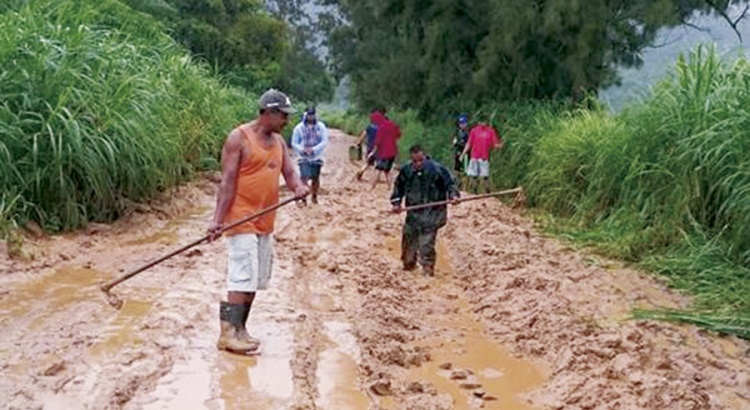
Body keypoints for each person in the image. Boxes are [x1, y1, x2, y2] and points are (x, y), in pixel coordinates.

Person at [207, 89, 309, 355]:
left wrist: (298, 187)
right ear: (268, 113)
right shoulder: (239, 138)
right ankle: (227, 333)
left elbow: (289, 173)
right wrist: (217, 221)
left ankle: (240, 329)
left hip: (265, 218)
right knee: (241, 274)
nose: (286, 121)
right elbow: (227, 182)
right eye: (283, 115)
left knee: (256, 278)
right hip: (241, 216)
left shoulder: (279, 142)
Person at [390, 145, 459, 277]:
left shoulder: (438, 169)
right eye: (415, 161)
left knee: (426, 243)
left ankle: (428, 270)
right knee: (408, 242)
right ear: (411, 159)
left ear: (425, 157)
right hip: (413, 214)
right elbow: (398, 187)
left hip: (433, 212)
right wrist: (396, 203)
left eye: (421, 160)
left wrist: (453, 196)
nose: (418, 164)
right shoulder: (406, 170)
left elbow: (451, 183)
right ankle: (409, 265)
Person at [291, 107, 329, 204]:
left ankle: (314, 196)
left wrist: (314, 149)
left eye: (312, 114)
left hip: (317, 156)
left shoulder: (321, 127)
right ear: (305, 115)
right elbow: (294, 143)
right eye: (309, 115)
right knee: (304, 177)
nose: (311, 117)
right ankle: (303, 198)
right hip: (303, 156)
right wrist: (302, 150)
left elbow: (324, 141)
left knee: (315, 178)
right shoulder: (298, 128)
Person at [461, 121, 502, 194]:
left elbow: (494, 144)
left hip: (484, 157)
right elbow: (469, 143)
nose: (482, 123)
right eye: (481, 121)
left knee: (485, 176)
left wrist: (500, 145)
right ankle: (474, 192)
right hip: (474, 156)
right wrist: (463, 154)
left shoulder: (490, 131)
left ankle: (487, 193)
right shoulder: (474, 131)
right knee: (474, 176)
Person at [371, 111, 402, 188]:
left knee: (378, 169)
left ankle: (372, 188)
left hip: (384, 153)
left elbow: (378, 143)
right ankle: (389, 187)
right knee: (386, 171)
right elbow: (399, 135)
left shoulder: (381, 128)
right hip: (393, 152)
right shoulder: (393, 125)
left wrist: (372, 153)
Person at [354, 109, 381, 180]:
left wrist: (359, 142)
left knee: (368, 163)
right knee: (379, 163)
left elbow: (363, 135)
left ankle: (361, 171)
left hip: (370, 147)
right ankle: (377, 178)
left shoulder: (370, 126)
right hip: (379, 148)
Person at [451, 114, 470, 188]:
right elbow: (454, 142)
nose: (462, 125)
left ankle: (465, 185)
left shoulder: (468, 133)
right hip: (458, 152)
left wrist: (459, 143)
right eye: (461, 123)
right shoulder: (457, 132)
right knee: (457, 169)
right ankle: (458, 183)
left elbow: (469, 143)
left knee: (465, 170)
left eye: (464, 123)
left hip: (466, 153)